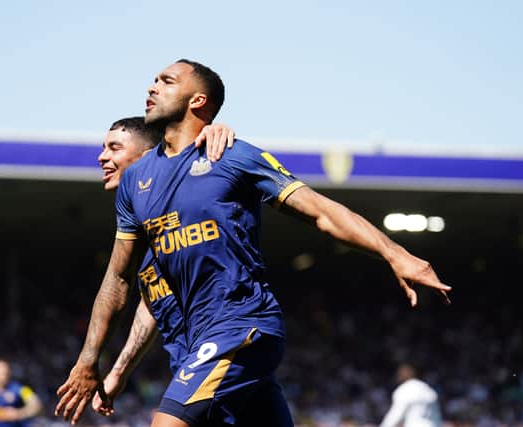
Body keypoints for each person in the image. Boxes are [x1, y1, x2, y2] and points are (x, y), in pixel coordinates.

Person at [55, 59, 451, 427]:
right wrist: (93, 361)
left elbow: (320, 211)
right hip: (197, 345)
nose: (152, 86)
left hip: (240, 328)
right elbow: (121, 279)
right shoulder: (136, 183)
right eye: (155, 80)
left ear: (198, 100)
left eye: (167, 81)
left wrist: (394, 253)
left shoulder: (231, 156)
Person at [90, 116, 235, 415]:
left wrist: (214, 131)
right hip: (187, 353)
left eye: (114, 148)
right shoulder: (141, 225)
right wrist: (119, 371)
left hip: (224, 341)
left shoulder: (184, 206)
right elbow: (152, 300)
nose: (102, 156)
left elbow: (204, 163)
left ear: (147, 157)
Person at [0, 359, 42, 427]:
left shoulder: (19, 388)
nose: (2, 375)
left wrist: (19, 413)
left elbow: (36, 404)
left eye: (4, 372)